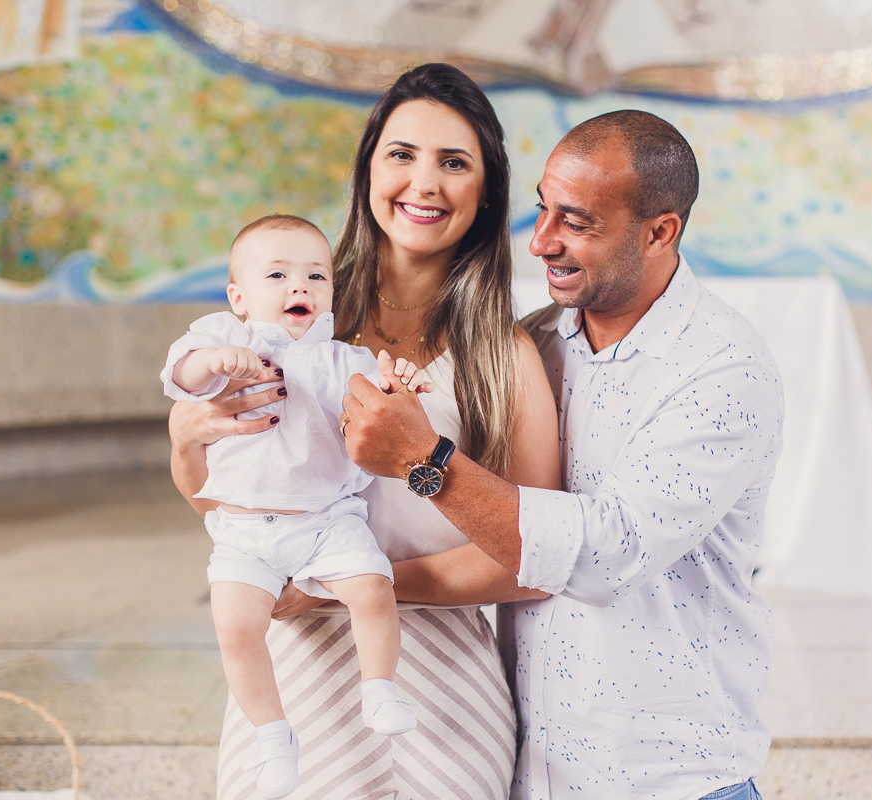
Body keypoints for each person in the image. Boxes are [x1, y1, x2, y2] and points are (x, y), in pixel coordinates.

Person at [340, 110, 784, 800]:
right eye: (542, 211)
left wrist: (423, 461)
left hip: (667, 776)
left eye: (576, 223)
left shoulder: (720, 367)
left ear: (660, 231)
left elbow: (607, 552)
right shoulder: (535, 342)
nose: (542, 241)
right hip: (531, 770)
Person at [168, 63, 561, 800]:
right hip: (295, 668)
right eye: (402, 154)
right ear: (368, 168)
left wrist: (353, 589)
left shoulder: (504, 355)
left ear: (486, 189)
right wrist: (187, 443)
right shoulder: (289, 317)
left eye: (455, 162)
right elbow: (218, 501)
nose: (425, 182)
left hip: (442, 675)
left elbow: (536, 555)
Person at [162, 215, 433, 798]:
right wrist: (214, 364)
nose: (299, 288)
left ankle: (379, 686)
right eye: (278, 274)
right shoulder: (222, 338)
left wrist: (399, 384)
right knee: (235, 627)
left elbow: (381, 402)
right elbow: (179, 372)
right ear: (239, 295)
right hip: (242, 527)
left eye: (316, 276)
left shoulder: (346, 359)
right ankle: (272, 736)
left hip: (326, 520)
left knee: (372, 587)